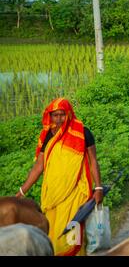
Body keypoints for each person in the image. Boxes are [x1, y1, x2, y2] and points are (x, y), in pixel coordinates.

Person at [16, 98, 103, 256]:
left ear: (68, 114)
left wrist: (98, 188)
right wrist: (22, 191)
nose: (58, 119)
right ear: (50, 116)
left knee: (73, 237)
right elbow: (39, 166)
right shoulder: (48, 135)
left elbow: (93, 161)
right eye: (55, 115)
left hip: (76, 194)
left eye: (62, 114)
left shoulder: (83, 132)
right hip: (52, 196)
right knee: (53, 237)